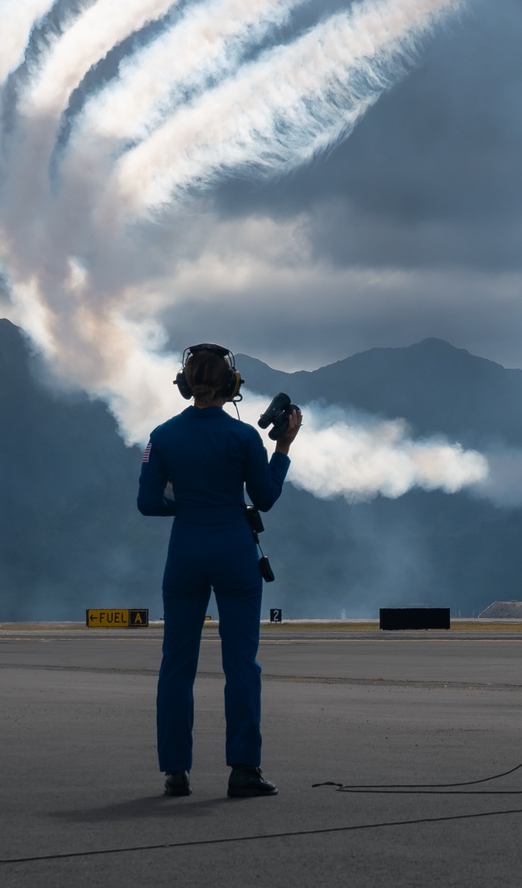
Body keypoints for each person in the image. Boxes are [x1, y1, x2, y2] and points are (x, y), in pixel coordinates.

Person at [138, 342, 301, 799]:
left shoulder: (162, 436)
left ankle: (175, 771)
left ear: (185, 384)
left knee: (176, 666)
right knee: (241, 665)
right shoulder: (245, 436)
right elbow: (265, 496)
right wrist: (284, 446)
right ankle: (243, 770)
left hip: (186, 550)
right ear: (231, 386)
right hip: (233, 549)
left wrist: (188, 503)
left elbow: (148, 503)